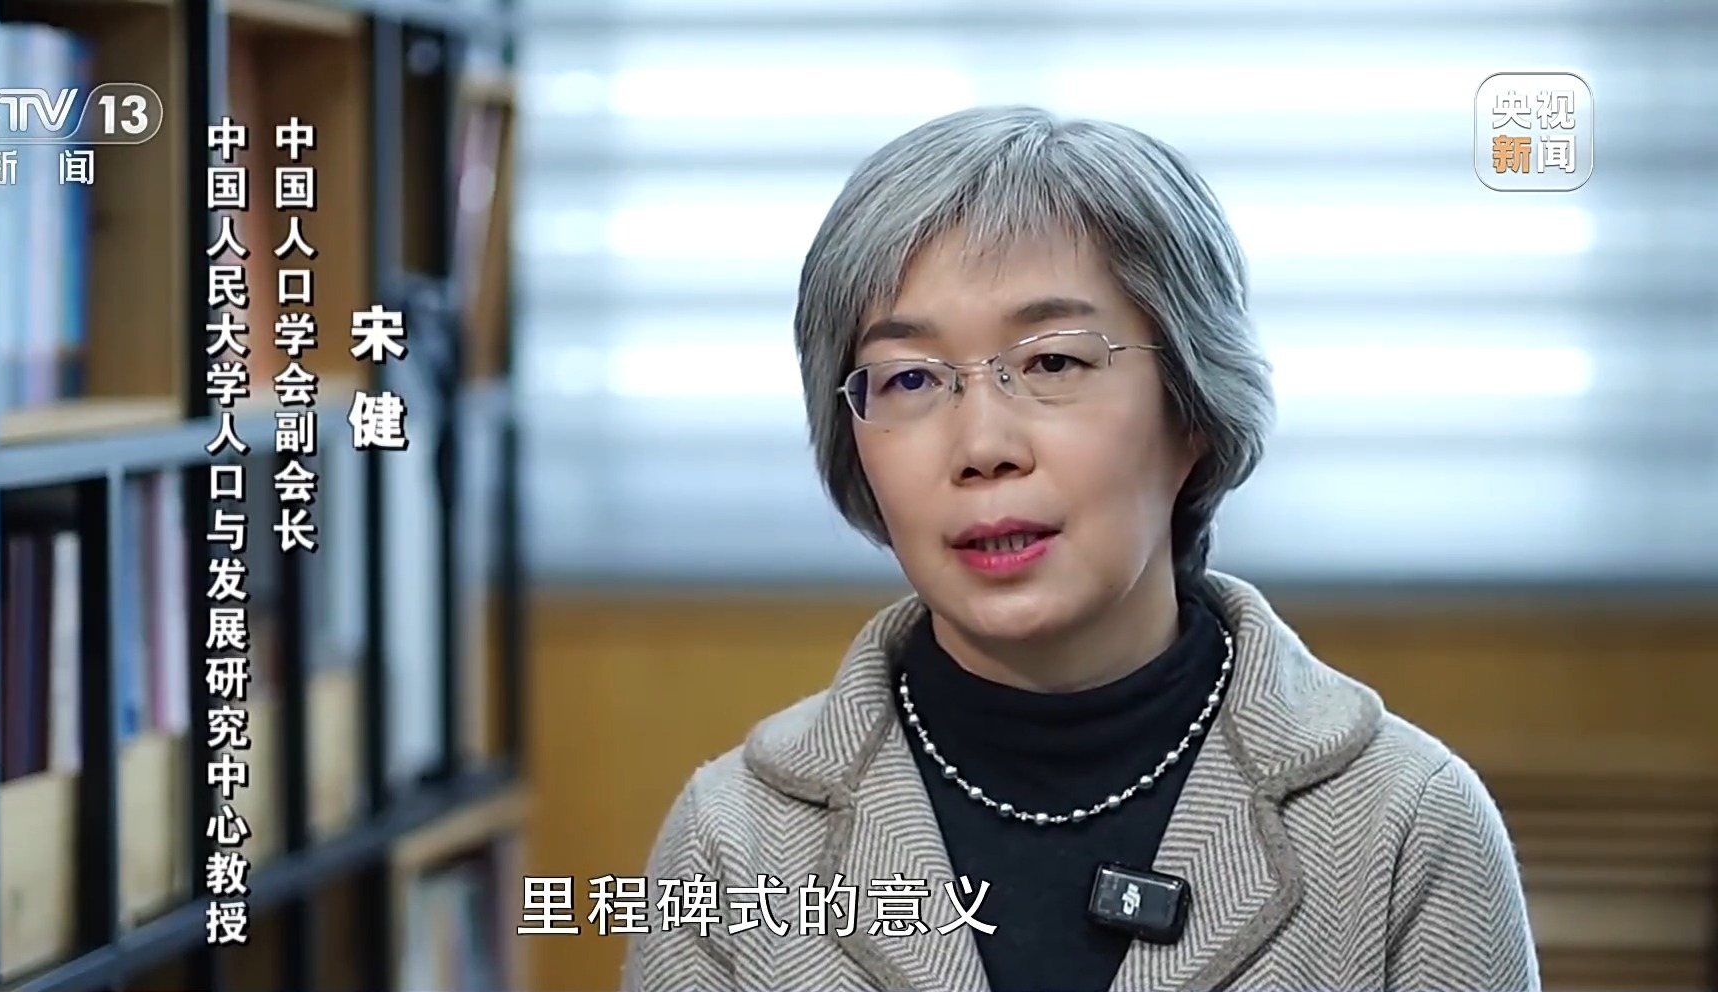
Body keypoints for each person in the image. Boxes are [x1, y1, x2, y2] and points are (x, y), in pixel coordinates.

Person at [621, 106, 1539, 992]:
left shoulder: (1405, 824)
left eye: (1052, 362)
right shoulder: (735, 836)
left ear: (1192, 407)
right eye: (909, 378)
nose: (983, 447)